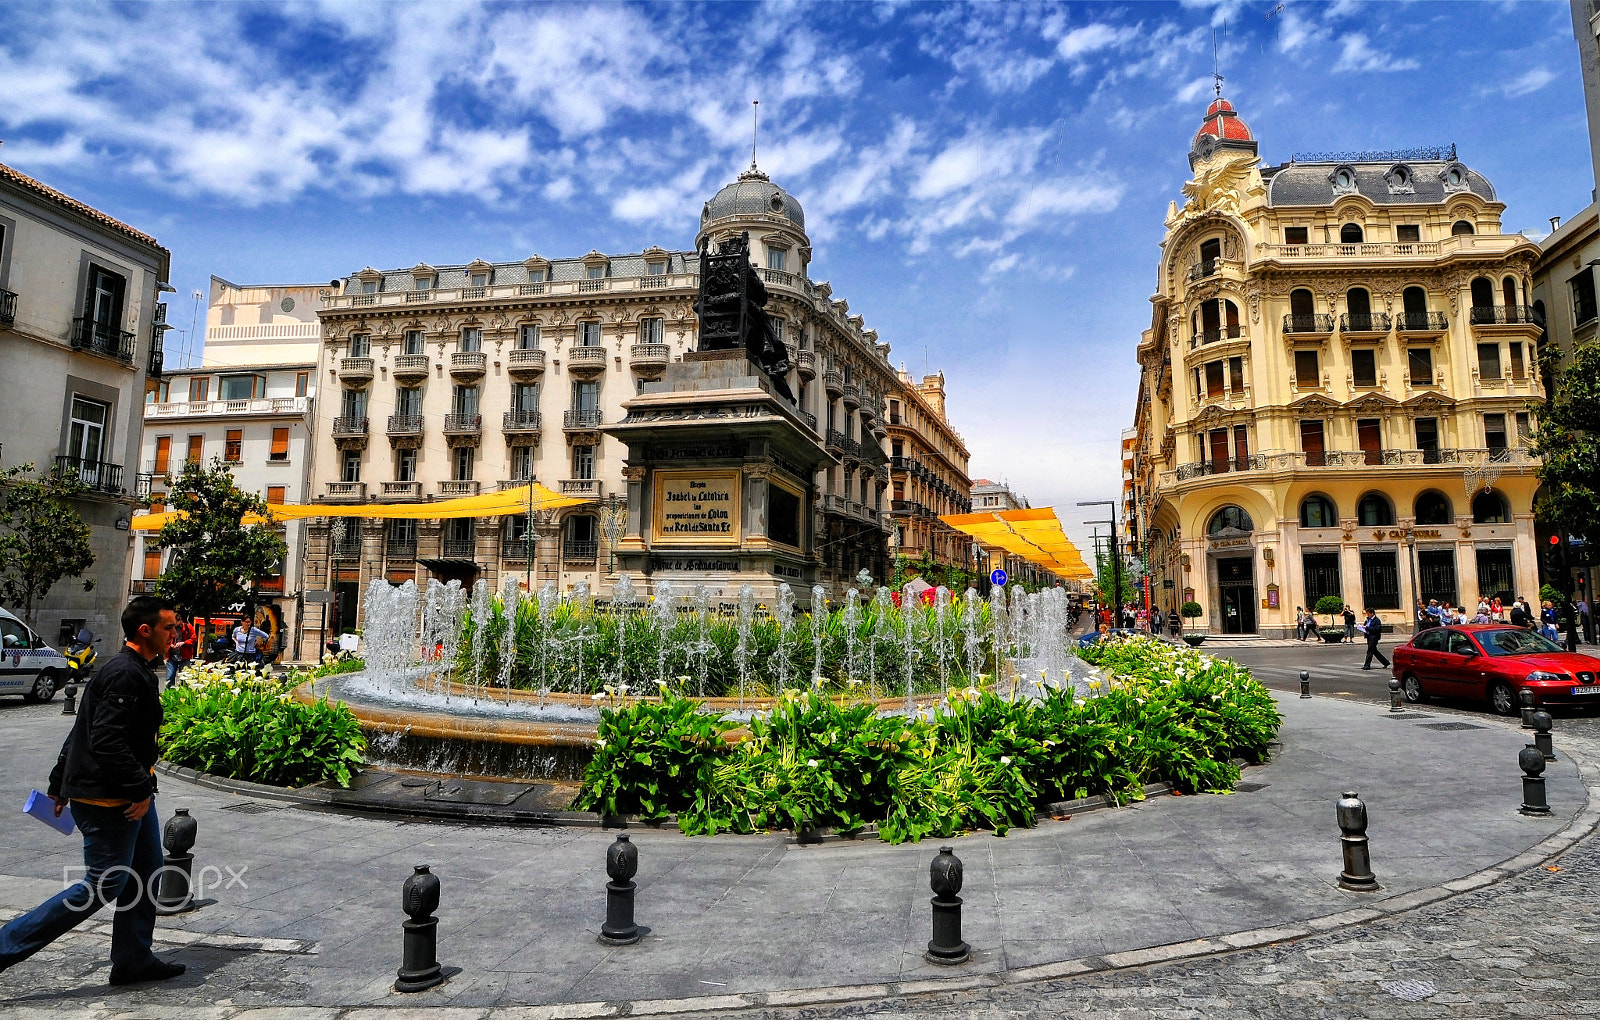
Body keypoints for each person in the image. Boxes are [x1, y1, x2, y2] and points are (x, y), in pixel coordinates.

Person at [0, 596, 185, 985]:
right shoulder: (125, 673)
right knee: (103, 884)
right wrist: (138, 790)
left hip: (131, 794)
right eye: (169, 627)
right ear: (145, 630)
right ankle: (5, 946)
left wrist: (58, 781)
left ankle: (134, 958)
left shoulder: (132, 670)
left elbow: (81, 727)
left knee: (145, 875)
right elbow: (105, 739)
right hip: (112, 799)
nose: (176, 634)